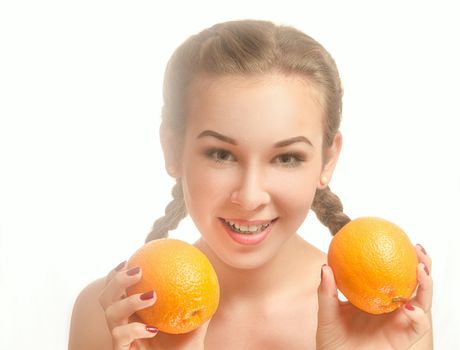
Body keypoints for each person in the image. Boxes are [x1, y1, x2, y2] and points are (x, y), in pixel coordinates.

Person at [68, 19, 433, 350]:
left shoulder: (384, 320)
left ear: (328, 159)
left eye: (286, 158)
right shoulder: (112, 319)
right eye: (221, 154)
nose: (250, 195)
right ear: (173, 149)